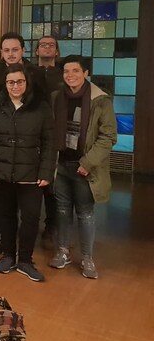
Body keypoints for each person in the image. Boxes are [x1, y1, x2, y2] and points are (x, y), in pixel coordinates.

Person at [0, 64, 56, 282]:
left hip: (32, 174)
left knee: (30, 218)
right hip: (1, 173)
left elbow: (50, 142)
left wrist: (46, 172)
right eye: (11, 82)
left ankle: (26, 260)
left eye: (20, 81)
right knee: (6, 216)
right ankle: (8, 256)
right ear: (5, 84)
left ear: (27, 83)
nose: (15, 86)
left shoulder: (41, 107)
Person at [49, 55, 116, 280]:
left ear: (86, 73)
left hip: (85, 166)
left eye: (75, 71)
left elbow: (108, 137)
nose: (70, 75)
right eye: (66, 71)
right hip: (61, 164)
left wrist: (87, 163)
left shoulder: (100, 100)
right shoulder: (57, 97)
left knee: (85, 213)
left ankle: (87, 258)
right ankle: (63, 251)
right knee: (61, 210)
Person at [0, 32, 47, 257]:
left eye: (15, 49)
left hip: (29, 158)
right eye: (6, 50)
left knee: (30, 213)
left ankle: (26, 256)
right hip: (1, 157)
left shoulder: (37, 75)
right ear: (1, 53)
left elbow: (45, 122)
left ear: (23, 51)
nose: (10, 54)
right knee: (0, 208)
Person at [35, 36, 63, 250]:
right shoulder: (28, 73)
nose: (46, 48)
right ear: (36, 51)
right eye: (42, 45)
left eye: (50, 45)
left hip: (55, 134)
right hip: (31, 133)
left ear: (57, 52)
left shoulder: (63, 74)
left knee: (52, 185)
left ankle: (52, 226)